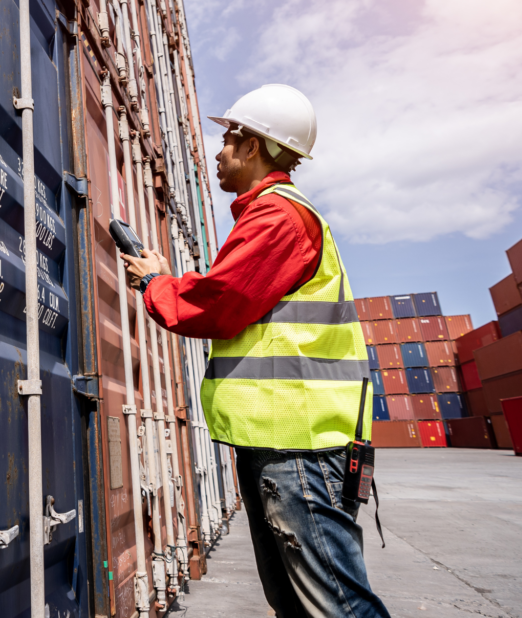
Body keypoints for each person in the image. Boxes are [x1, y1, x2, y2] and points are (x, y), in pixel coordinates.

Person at [122, 84, 390, 618]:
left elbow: (221, 302)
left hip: (296, 444)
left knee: (337, 605)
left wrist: (156, 284)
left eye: (228, 140)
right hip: (282, 439)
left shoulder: (279, 217)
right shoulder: (267, 216)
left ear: (255, 147)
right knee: (294, 603)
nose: (218, 152)